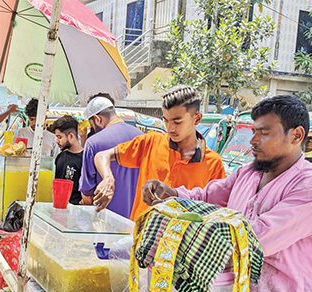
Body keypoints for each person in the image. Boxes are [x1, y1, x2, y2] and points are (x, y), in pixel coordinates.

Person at [143, 95, 312, 292]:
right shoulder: (248, 173)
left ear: (296, 135)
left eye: (263, 133)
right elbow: (207, 196)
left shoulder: (311, 187)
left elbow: (252, 240)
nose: (253, 141)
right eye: (253, 132)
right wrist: (170, 194)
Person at [93, 85, 225, 221]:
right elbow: (102, 156)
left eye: (177, 122)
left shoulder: (213, 163)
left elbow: (216, 214)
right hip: (141, 235)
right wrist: (108, 178)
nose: (170, 128)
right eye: (166, 121)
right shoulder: (151, 142)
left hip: (182, 240)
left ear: (197, 119)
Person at [78, 94, 143, 219]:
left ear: (98, 119)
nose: (92, 129)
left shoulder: (93, 142)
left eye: (92, 125)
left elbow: (87, 191)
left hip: (105, 224)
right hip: (136, 222)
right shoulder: (142, 137)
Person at [52, 115, 84, 205]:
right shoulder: (60, 157)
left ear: (71, 136)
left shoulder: (85, 159)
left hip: (77, 210)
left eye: (60, 137)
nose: (57, 141)